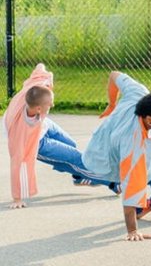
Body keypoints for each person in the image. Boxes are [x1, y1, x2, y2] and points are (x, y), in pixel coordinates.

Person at [81, 71, 151, 241]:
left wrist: (112, 104)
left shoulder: (138, 92)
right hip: (104, 165)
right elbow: (131, 185)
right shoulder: (134, 145)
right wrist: (132, 231)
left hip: (101, 147)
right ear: (150, 120)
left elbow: (114, 75)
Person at [4, 63, 116, 209]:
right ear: (38, 108)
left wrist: (43, 69)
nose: (53, 105)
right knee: (75, 157)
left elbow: (39, 70)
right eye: (49, 105)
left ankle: (78, 176)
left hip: (44, 125)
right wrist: (17, 198)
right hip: (36, 144)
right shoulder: (21, 134)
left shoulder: (34, 89)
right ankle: (114, 182)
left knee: (70, 144)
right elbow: (18, 163)